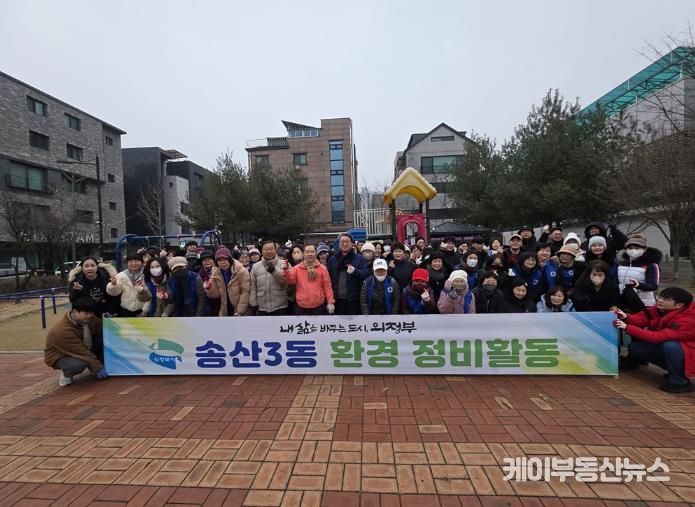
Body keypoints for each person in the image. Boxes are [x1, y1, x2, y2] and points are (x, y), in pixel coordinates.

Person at [616, 287, 695, 393]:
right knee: (636, 348)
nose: (660, 300)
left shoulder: (688, 320)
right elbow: (643, 318)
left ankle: (679, 381)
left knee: (670, 346)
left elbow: (657, 337)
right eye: (660, 297)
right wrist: (626, 317)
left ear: (679, 305)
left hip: (690, 354)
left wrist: (627, 327)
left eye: (666, 299)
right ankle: (676, 371)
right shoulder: (661, 309)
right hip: (680, 351)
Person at [44, 297, 108, 386]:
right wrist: (98, 368)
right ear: (75, 311)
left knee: (102, 339)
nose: (90, 315)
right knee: (79, 365)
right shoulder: (63, 330)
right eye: (86, 313)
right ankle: (66, 374)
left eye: (91, 312)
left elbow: (106, 329)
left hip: (82, 347)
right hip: (61, 355)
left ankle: (98, 365)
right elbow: (82, 352)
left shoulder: (91, 320)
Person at [283, 244, 335, 315]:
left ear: (316, 253)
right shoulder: (297, 268)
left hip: (319, 306)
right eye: (307, 252)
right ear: (303, 254)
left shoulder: (322, 268)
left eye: (312, 252)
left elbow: (327, 286)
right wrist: (286, 271)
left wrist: (330, 302)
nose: (310, 254)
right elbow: (290, 281)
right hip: (301, 306)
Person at [618, 233, 662, 311]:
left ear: (644, 249)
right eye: (630, 248)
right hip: (623, 301)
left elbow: (653, 285)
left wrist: (638, 284)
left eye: (637, 248)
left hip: (644, 303)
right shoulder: (621, 264)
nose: (633, 250)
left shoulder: (651, 265)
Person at [328, 233, 369, 315]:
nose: (344, 244)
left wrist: (355, 271)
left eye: (347, 241)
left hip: (354, 300)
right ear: (339, 243)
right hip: (337, 300)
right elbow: (328, 279)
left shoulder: (360, 259)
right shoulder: (332, 260)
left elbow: (365, 275)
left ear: (352, 243)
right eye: (342, 241)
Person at [204, 246, 251, 316]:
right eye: (219, 260)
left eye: (224, 260)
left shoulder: (241, 271)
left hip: (241, 308)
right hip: (225, 307)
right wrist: (209, 288)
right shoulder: (216, 272)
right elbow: (216, 295)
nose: (222, 263)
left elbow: (245, 292)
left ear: (230, 260)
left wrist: (240, 311)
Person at [250, 240, 289, 316]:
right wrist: (253, 302)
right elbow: (253, 286)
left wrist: (275, 272)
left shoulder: (284, 264)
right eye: (266, 249)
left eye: (271, 249)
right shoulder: (255, 267)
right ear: (261, 251)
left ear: (276, 250)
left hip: (280, 306)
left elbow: (287, 283)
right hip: (262, 306)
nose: (269, 251)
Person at [106, 252, 146, 317]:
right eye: (130, 262)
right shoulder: (121, 275)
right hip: (125, 309)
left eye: (136, 261)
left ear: (142, 262)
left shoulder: (147, 274)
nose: (133, 264)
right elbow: (115, 293)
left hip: (143, 309)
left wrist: (145, 311)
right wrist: (113, 284)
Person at [198, 251, 220, 316]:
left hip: (221, 300)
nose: (207, 262)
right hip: (208, 302)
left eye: (209, 259)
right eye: (204, 260)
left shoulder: (220, 270)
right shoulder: (199, 274)